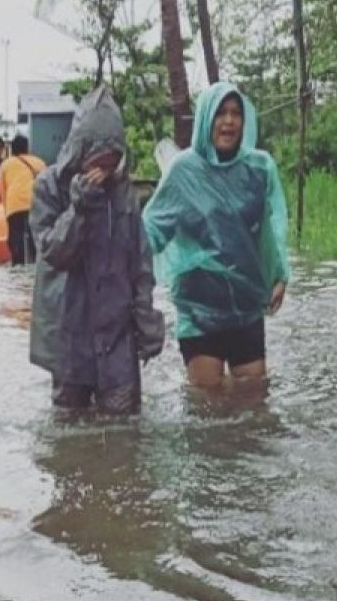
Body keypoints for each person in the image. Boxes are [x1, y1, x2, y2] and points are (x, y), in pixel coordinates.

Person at [141, 82, 289, 388]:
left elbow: (275, 225)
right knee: (207, 410)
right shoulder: (183, 171)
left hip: (246, 308)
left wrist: (281, 274)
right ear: (206, 118)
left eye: (236, 113)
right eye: (220, 113)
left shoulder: (259, 167)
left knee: (254, 402)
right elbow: (152, 229)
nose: (229, 121)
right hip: (198, 311)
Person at [29, 86, 164, 413]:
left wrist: (147, 324)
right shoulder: (48, 187)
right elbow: (52, 253)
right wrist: (79, 211)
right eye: (96, 159)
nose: (103, 169)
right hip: (68, 339)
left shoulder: (124, 193)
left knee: (125, 433)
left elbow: (140, 266)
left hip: (118, 338)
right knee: (69, 434)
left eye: (111, 159)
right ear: (79, 151)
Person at [0, 134, 46, 264]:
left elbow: (3, 191)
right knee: (36, 240)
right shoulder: (40, 163)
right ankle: (35, 268)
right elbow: (47, 187)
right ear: (27, 148)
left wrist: (7, 213)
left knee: (15, 241)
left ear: (12, 149)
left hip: (14, 205)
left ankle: (17, 267)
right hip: (36, 204)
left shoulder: (5, 165)